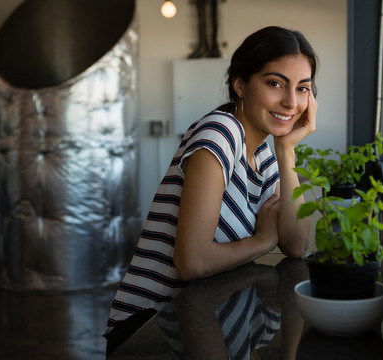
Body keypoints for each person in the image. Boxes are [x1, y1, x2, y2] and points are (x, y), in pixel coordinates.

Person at [104, 25, 319, 356]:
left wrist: (287, 150)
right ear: (240, 85)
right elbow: (192, 262)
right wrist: (260, 241)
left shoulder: (264, 148)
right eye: (275, 83)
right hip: (147, 328)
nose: (291, 102)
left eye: (302, 88)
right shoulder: (220, 134)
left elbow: (295, 244)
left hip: (199, 315)